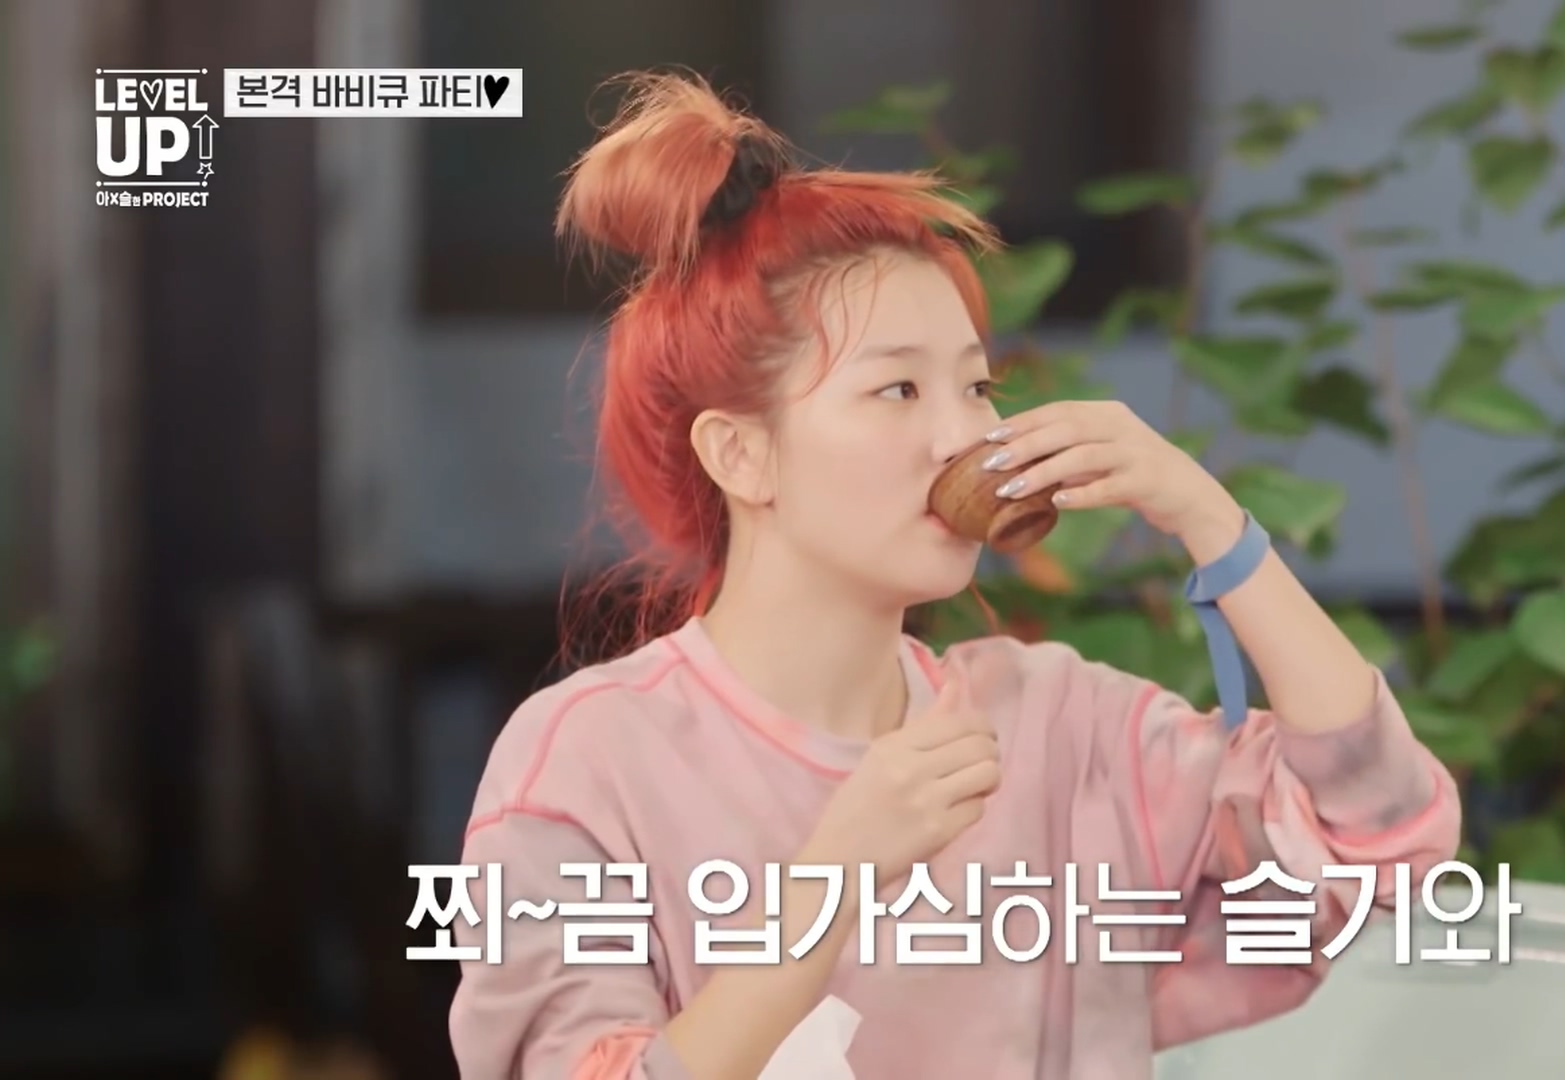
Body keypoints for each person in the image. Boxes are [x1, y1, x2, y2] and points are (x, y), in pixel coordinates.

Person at [448, 71, 1462, 1080]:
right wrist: (832, 886)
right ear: (741, 454)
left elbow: (1382, 854)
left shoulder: (1060, 727)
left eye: (977, 385)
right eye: (898, 389)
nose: (964, 435)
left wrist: (1214, 524)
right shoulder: (592, 758)